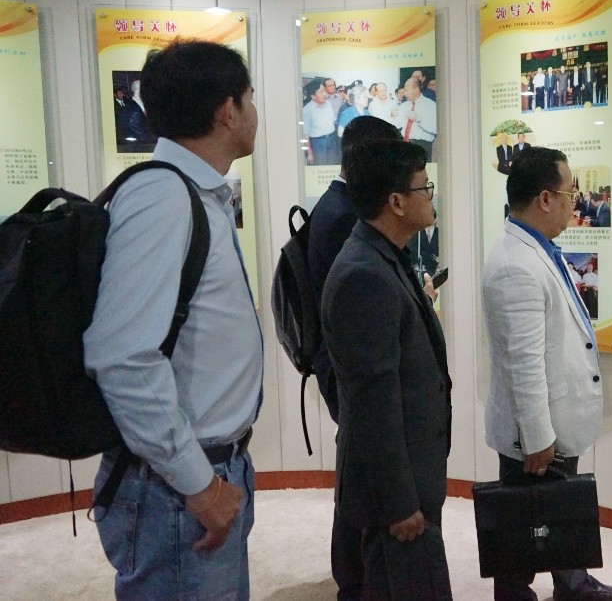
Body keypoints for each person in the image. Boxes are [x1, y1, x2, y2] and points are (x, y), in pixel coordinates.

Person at [84, 40, 263, 600]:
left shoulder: (193, 193)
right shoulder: (163, 197)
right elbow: (123, 358)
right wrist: (199, 485)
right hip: (176, 488)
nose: (254, 111)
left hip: (202, 474)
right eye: (250, 97)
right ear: (227, 110)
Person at [481, 146, 612, 601]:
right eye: (570, 193)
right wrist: (538, 437)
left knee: (559, 513)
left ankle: (573, 585)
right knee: (523, 528)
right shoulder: (515, 265)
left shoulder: (537, 248)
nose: (575, 202)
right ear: (545, 199)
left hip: (553, 419)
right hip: (535, 432)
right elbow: (522, 364)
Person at [322, 139, 452, 599]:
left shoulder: (382, 255)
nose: (430, 196)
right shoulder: (364, 274)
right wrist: (399, 504)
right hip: (394, 499)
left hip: (411, 480)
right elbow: (372, 405)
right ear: (396, 202)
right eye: (424, 187)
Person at [307, 116, 405, 601]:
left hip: (338, 363)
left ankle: (354, 575)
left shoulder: (334, 205)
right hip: (347, 368)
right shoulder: (346, 216)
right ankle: (355, 578)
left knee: (357, 466)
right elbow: (356, 308)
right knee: (362, 470)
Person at [397, 76, 437, 161]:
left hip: (422, 146)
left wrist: (419, 119)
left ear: (417, 89)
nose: (405, 93)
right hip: (404, 145)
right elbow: (398, 125)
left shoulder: (430, 105)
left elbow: (435, 129)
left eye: (407, 90)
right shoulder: (403, 106)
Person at [302, 77, 337, 165]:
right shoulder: (307, 110)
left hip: (332, 139)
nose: (325, 94)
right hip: (318, 143)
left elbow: (333, 122)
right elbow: (305, 135)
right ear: (313, 96)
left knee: (332, 166)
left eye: (324, 91)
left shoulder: (328, 104)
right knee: (321, 166)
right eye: (321, 92)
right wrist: (309, 154)